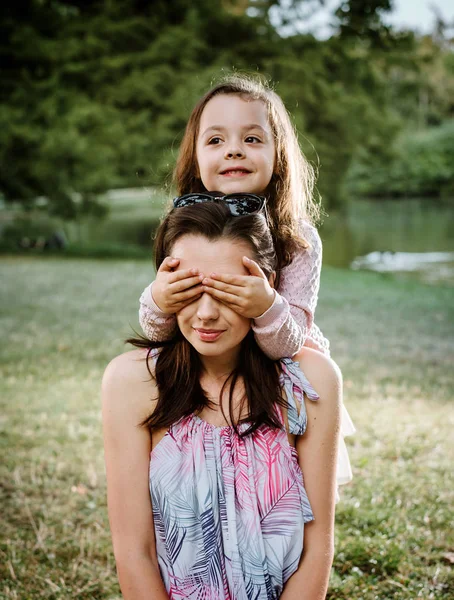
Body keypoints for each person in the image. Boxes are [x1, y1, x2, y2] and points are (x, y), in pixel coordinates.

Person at [102, 201, 341, 599]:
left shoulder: (311, 383)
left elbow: (317, 551)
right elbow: (134, 553)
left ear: (263, 288)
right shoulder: (132, 382)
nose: (207, 314)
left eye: (227, 290)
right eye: (189, 290)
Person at [138, 74, 354, 487]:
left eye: (252, 139)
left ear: (279, 156)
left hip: (274, 374)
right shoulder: (184, 225)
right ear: (195, 157)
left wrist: (265, 306)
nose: (234, 148)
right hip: (207, 368)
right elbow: (161, 329)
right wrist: (159, 298)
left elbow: (286, 342)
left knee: (289, 485)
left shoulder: (298, 236)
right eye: (215, 140)